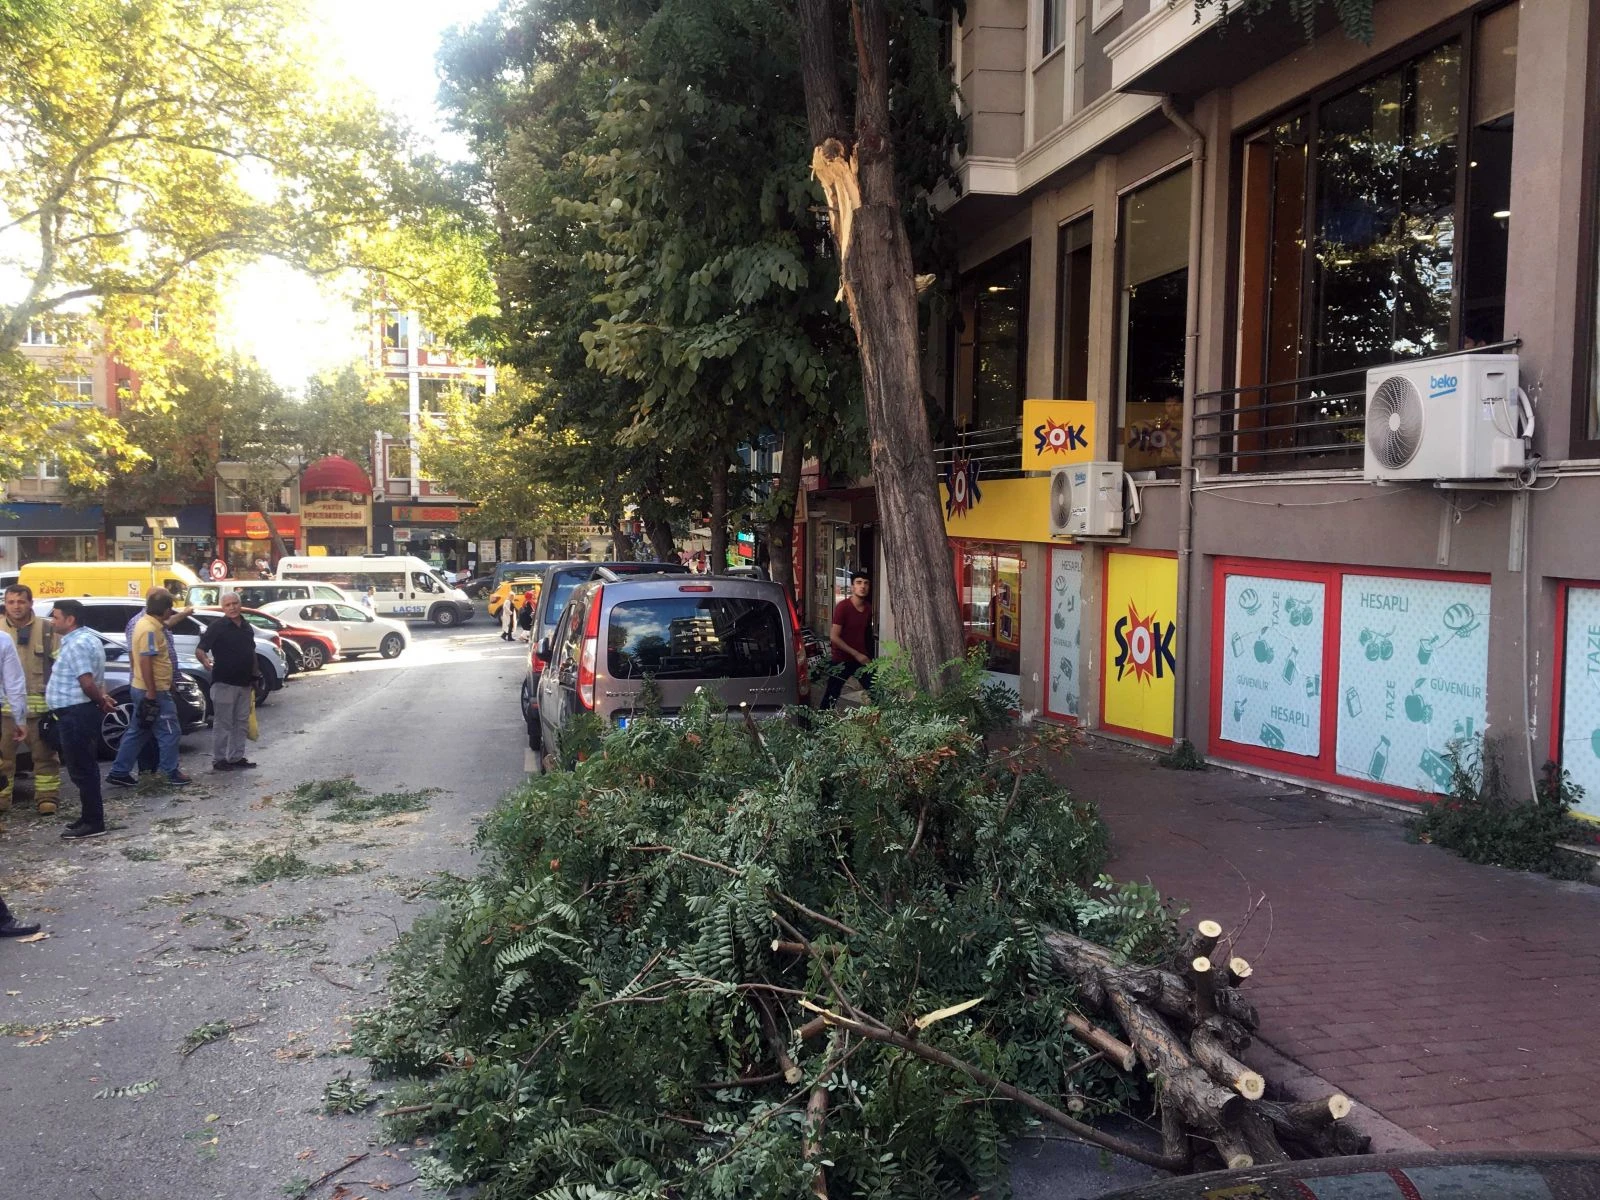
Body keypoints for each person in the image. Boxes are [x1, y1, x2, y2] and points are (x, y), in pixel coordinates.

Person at [44, 599, 118, 838]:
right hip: (76, 712)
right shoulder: (87, 639)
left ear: (70, 619)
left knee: (81, 769)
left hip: (76, 713)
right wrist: (101, 698)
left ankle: (94, 822)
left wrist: (100, 701)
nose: (52, 621)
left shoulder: (77, 644)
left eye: (55, 616)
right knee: (82, 767)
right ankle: (88, 817)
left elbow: (86, 681)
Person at [106, 590, 191, 788]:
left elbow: (168, 624)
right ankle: (169, 772)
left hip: (143, 688)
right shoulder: (149, 630)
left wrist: (185, 614)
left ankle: (119, 771)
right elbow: (145, 661)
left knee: (138, 731)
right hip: (153, 691)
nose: (171, 613)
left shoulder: (149, 623)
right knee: (170, 731)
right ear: (165, 609)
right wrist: (152, 691)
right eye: (170, 609)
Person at [1, 583, 60, 813]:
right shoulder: (0, 633)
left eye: (21, 601)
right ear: (5, 604)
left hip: (40, 709)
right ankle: (2, 802)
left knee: (45, 758)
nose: (16, 606)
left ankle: (47, 798)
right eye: (11, 602)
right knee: (3, 761)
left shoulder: (47, 630)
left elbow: (61, 665)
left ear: (30, 603)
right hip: (5, 712)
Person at [195, 592, 260, 772]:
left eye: (235, 603)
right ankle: (219, 759)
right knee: (223, 723)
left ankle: (236, 757)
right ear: (223, 608)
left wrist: (256, 675)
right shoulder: (217, 627)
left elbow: (251, 652)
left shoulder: (247, 627)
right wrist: (205, 661)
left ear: (240, 604)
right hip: (224, 682)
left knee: (241, 722)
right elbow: (200, 650)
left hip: (245, 683)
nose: (232, 607)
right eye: (228, 605)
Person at [820, 571, 878, 710]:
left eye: (866, 583)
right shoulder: (843, 607)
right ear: (852, 587)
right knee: (831, 696)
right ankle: (819, 727)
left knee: (877, 692)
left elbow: (866, 634)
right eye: (858, 583)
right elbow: (834, 636)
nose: (862, 586)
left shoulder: (869, 608)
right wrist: (856, 653)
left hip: (861, 660)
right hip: (841, 659)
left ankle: (887, 724)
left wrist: (868, 656)